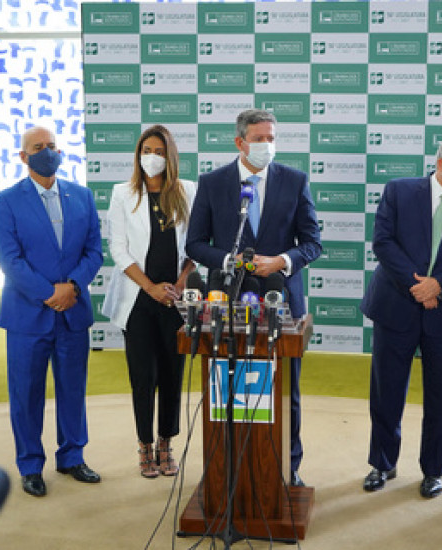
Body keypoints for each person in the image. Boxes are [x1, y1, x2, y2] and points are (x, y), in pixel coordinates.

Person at [186, 108, 321, 486]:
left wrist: (281, 260)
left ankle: (287, 469)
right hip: (229, 302)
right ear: (240, 142)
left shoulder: (294, 180)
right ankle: (227, 469)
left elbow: (313, 243)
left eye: (271, 138)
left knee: (285, 390)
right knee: (228, 387)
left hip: (283, 304)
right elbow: (195, 243)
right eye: (259, 138)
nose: (266, 145)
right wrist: (232, 261)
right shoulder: (212, 183)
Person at [361, 134, 442, 497]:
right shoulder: (399, 191)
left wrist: (438, 286)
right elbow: (383, 242)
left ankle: (434, 469)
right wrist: (418, 286)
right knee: (386, 392)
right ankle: (382, 463)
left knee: (441, 397)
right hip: (395, 306)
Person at [0, 125, 103, 497]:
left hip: (73, 311)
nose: (46, 151)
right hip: (27, 315)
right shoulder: (6, 201)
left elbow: (94, 252)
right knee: (26, 393)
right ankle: (30, 464)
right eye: (38, 147)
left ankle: (72, 456)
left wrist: (71, 288)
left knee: (73, 389)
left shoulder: (82, 196)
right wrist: (48, 294)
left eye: (52, 146)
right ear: (23, 156)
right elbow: (9, 259)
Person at [103, 125, 196, 478]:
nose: (151, 157)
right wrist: (150, 287)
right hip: (138, 299)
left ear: (169, 156)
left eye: (159, 151)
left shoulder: (188, 191)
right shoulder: (123, 193)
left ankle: (165, 444)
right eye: (146, 150)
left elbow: (196, 245)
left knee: (172, 375)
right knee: (144, 376)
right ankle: (144, 445)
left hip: (175, 300)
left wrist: (179, 282)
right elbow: (118, 248)